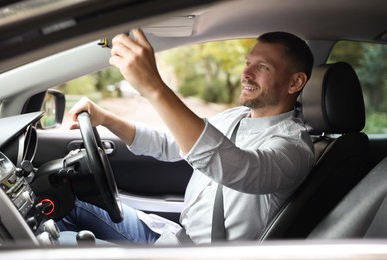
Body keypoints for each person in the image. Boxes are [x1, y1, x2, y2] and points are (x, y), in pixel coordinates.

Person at [57, 29, 315, 245]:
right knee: (68, 203)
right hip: (176, 238)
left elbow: (236, 168)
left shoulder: (294, 148)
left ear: (295, 83)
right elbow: (171, 142)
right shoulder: (236, 117)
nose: (246, 74)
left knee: (64, 242)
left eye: (262, 67)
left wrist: (154, 88)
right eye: (248, 63)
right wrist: (107, 119)